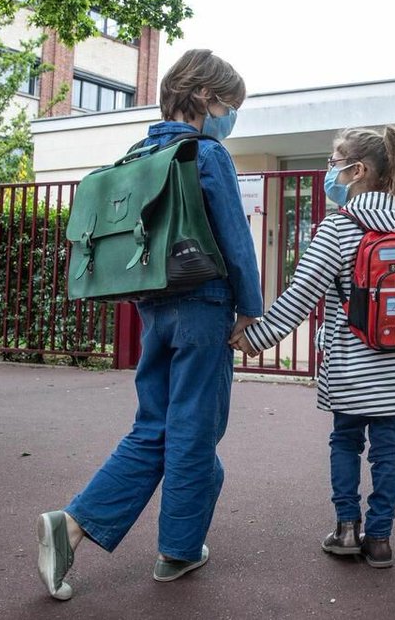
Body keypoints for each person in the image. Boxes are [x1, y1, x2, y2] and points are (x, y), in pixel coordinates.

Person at [36, 49, 263, 601]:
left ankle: (71, 526)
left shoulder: (140, 151)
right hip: (203, 306)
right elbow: (234, 235)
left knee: (155, 426)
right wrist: (249, 308)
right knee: (194, 429)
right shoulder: (206, 153)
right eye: (231, 104)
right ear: (207, 98)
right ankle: (177, 551)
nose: (232, 116)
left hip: (151, 306)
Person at [232, 125, 395, 569]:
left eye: (334, 162)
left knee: (346, 441)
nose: (331, 170)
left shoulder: (340, 226)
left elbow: (301, 293)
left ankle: (347, 529)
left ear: (358, 169)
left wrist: (255, 339)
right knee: (390, 449)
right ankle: (381, 539)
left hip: (352, 364)